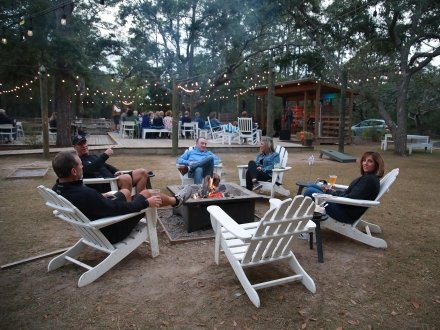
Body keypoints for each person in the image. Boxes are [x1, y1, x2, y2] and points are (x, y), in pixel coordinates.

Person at [51, 151, 192, 244]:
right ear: (74, 171)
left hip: (97, 221)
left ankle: (163, 200)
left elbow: (96, 203)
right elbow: (119, 209)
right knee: (147, 193)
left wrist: (101, 196)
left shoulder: (58, 189)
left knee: (125, 192)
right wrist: (145, 202)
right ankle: (176, 201)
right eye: (81, 165)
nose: (83, 167)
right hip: (111, 230)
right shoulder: (85, 194)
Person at [304, 151, 385, 224]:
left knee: (310, 191)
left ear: (377, 164)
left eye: (370, 161)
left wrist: (331, 193)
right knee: (312, 186)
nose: (365, 163)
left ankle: (308, 224)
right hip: (344, 206)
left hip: (345, 213)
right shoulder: (370, 178)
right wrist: (332, 191)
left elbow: (351, 197)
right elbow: (351, 193)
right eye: (364, 160)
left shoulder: (369, 180)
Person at [72, 134, 152, 193]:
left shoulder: (93, 156)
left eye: (84, 143)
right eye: (80, 144)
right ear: (75, 147)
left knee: (142, 172)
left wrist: (116, 171)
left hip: (114, 179)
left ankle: (140, 201)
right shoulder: (77, 161)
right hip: (105, 184)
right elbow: (90, 168)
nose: (84, 146)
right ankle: (129, 206)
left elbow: (106, 166)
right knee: (126, 178)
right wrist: (105, 155)